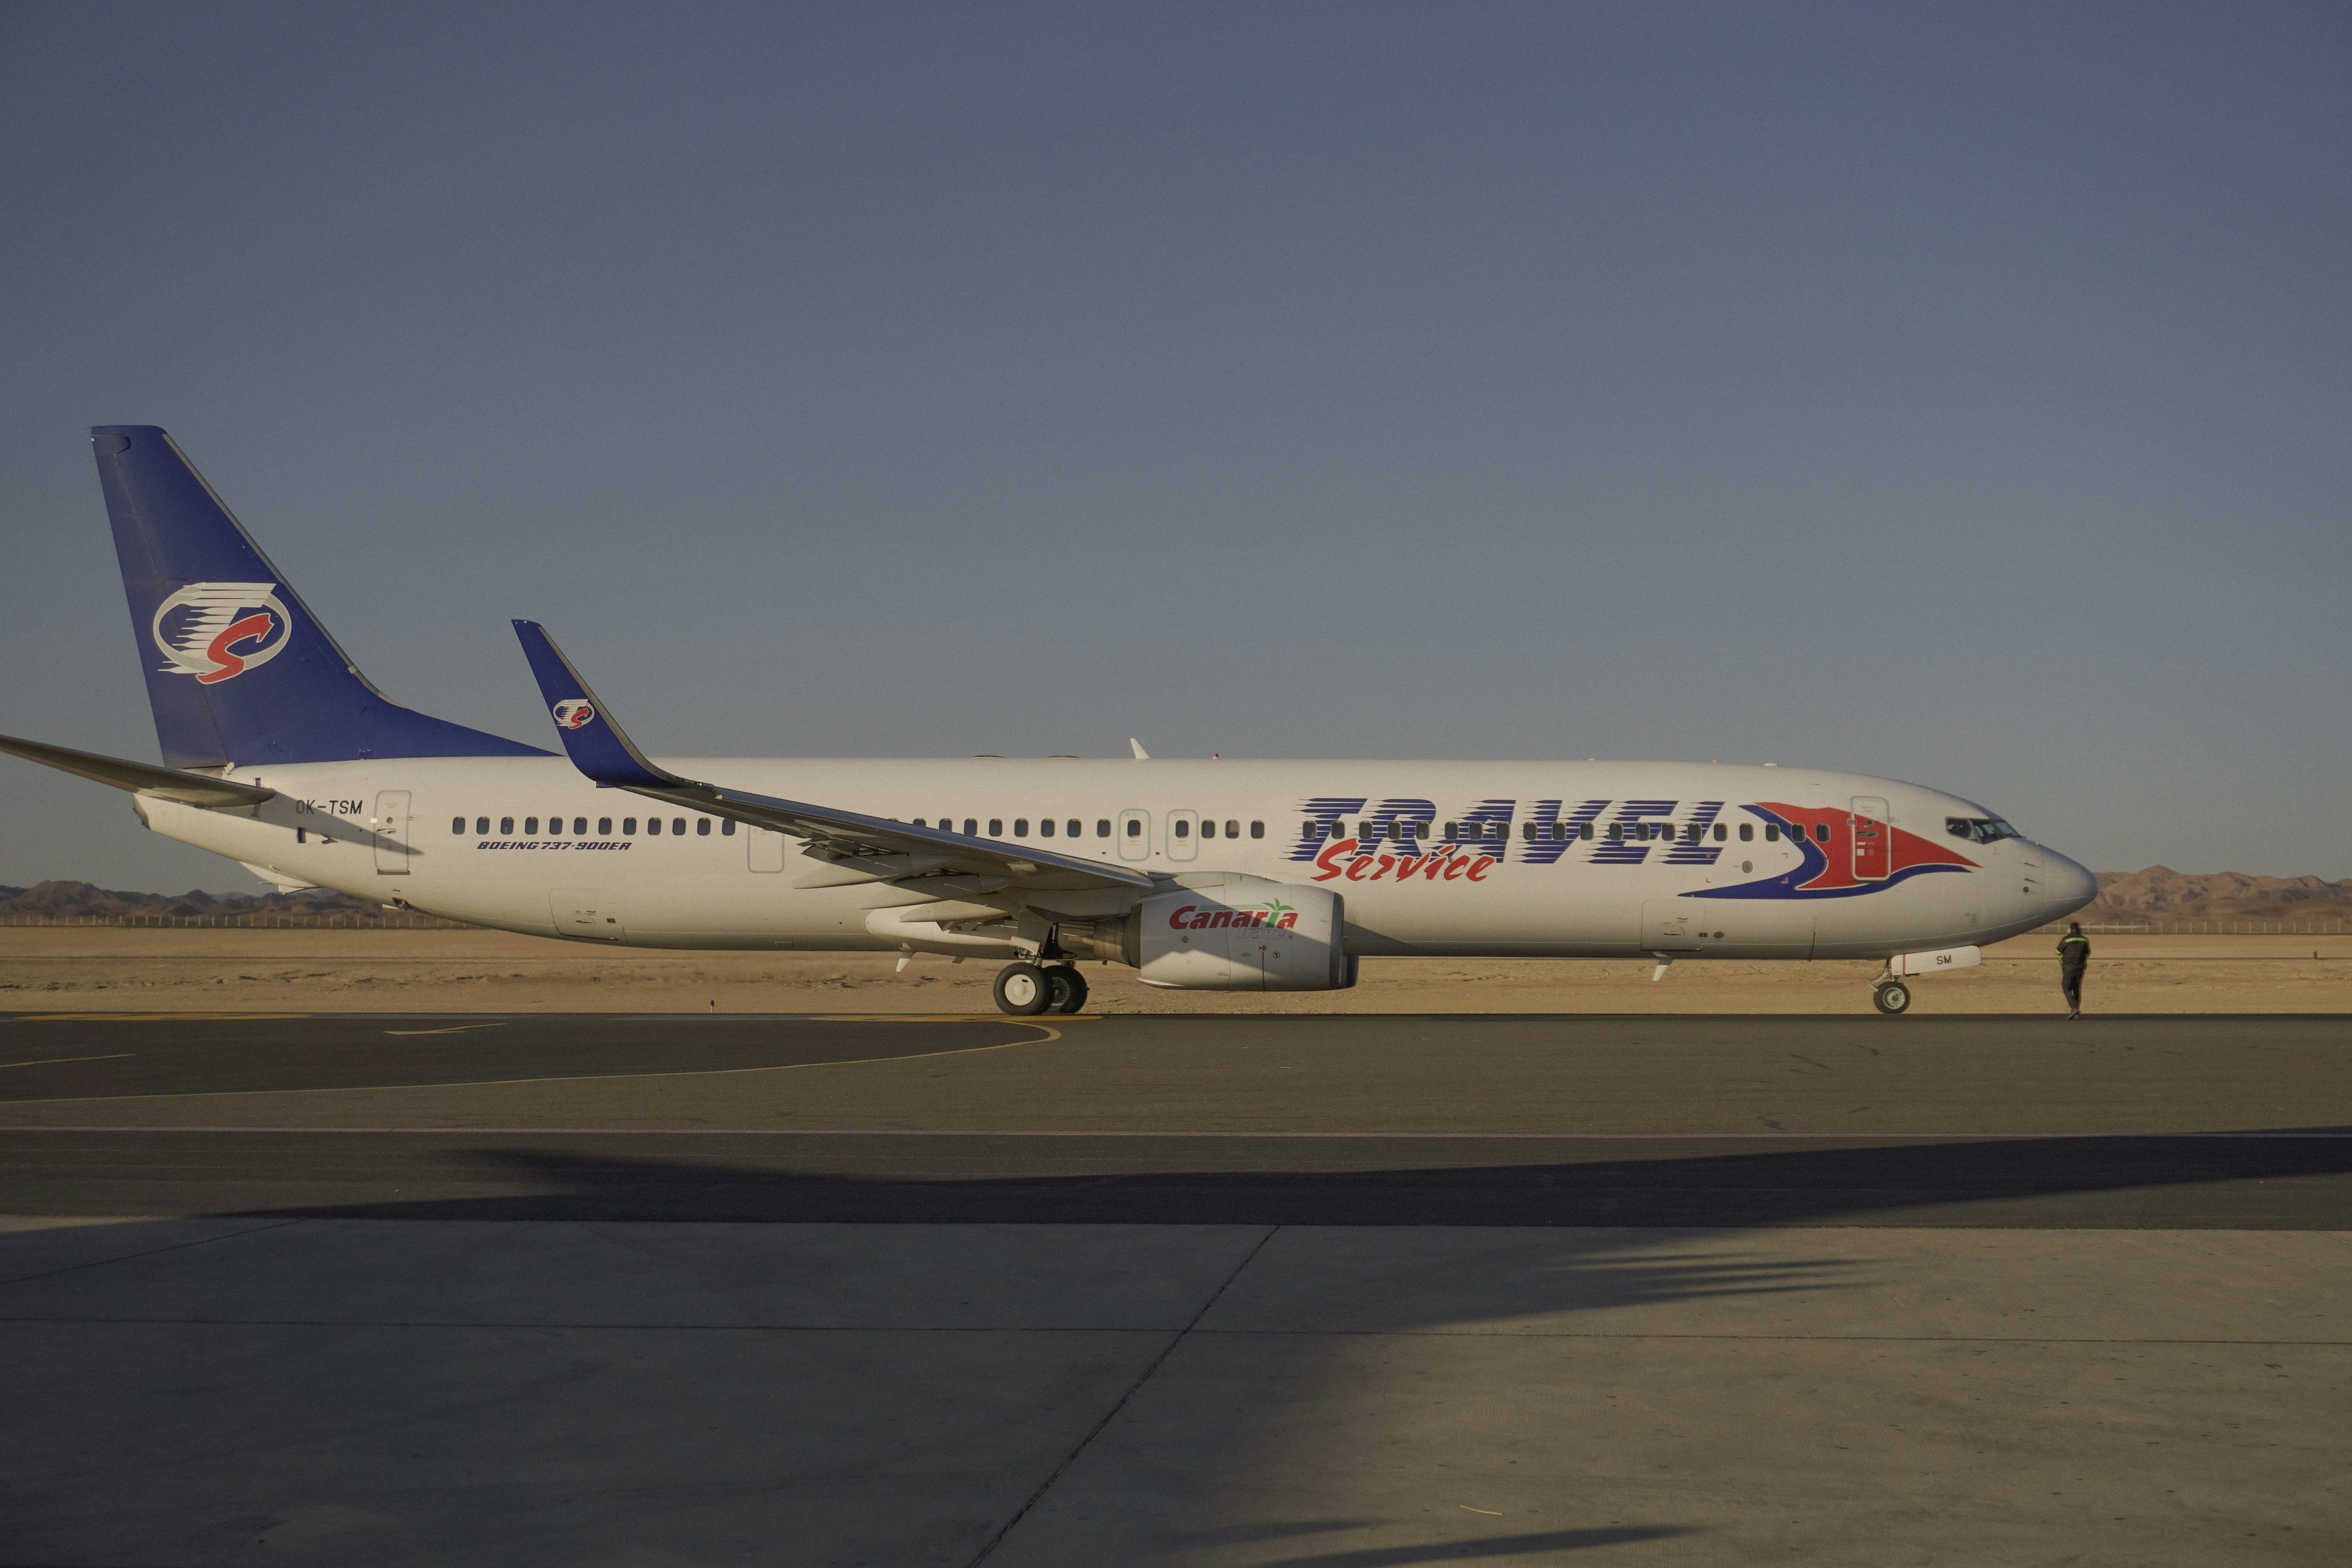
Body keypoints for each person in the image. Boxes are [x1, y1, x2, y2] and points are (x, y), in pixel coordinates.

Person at [2056, 922, 2090, 1018]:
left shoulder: (2066, 940)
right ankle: (2076, 1011)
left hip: (2069, 968)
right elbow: (2087, 953)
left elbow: (2058, 951)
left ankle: (2074, 1008)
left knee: (2066, 987)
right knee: (2076, 988)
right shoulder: (2084, 940)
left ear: (2070, 930)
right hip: (2080, 968)